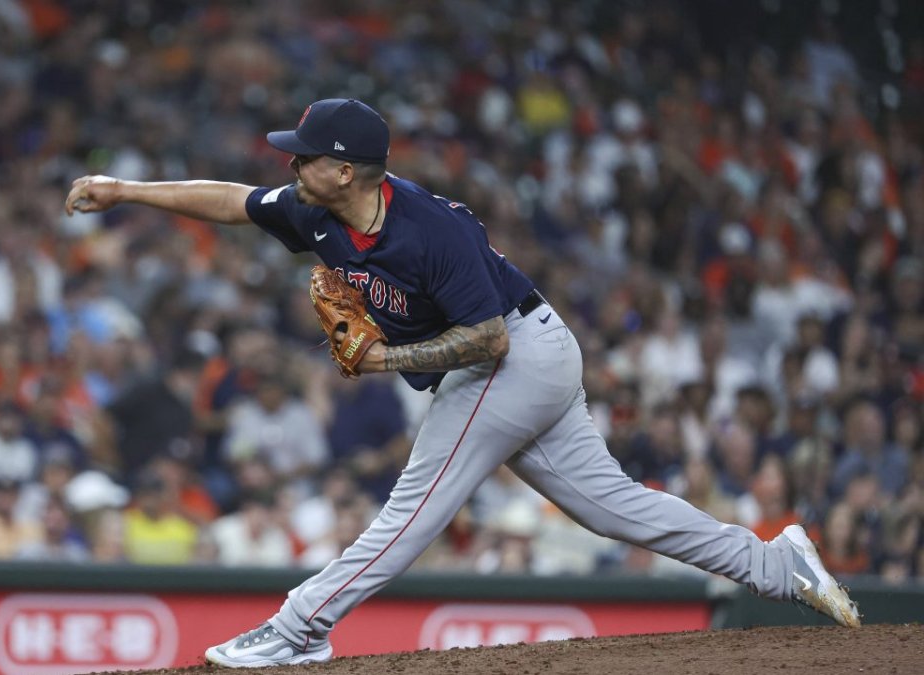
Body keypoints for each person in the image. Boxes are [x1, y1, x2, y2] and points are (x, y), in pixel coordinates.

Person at [65, 98, 860, 668]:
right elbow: (233, 201)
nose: (289, 162)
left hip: (514, 355)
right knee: (611, 507)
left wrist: (380, 362)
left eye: (302, 153)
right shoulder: (314, 208)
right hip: (515, 357)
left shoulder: (429, 229)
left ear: (344, 169)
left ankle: (300, 625)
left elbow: (487, 336)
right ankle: (775, 564)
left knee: (415, 506)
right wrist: (127, 191)